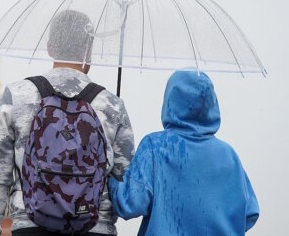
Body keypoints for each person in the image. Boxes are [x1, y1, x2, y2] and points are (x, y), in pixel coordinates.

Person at [0, 10, 135, 236]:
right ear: (89, 50)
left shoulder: (17, 96)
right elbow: (125, 183)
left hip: (31, 226)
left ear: (50, 47)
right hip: (94, 228)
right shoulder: (111, 105)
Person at [108, 71, 259, 235]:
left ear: (169, 101)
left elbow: (131, 204)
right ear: (212, 104)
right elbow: (250, 213)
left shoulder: (155, 146)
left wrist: (111, 180)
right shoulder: (229, 155)